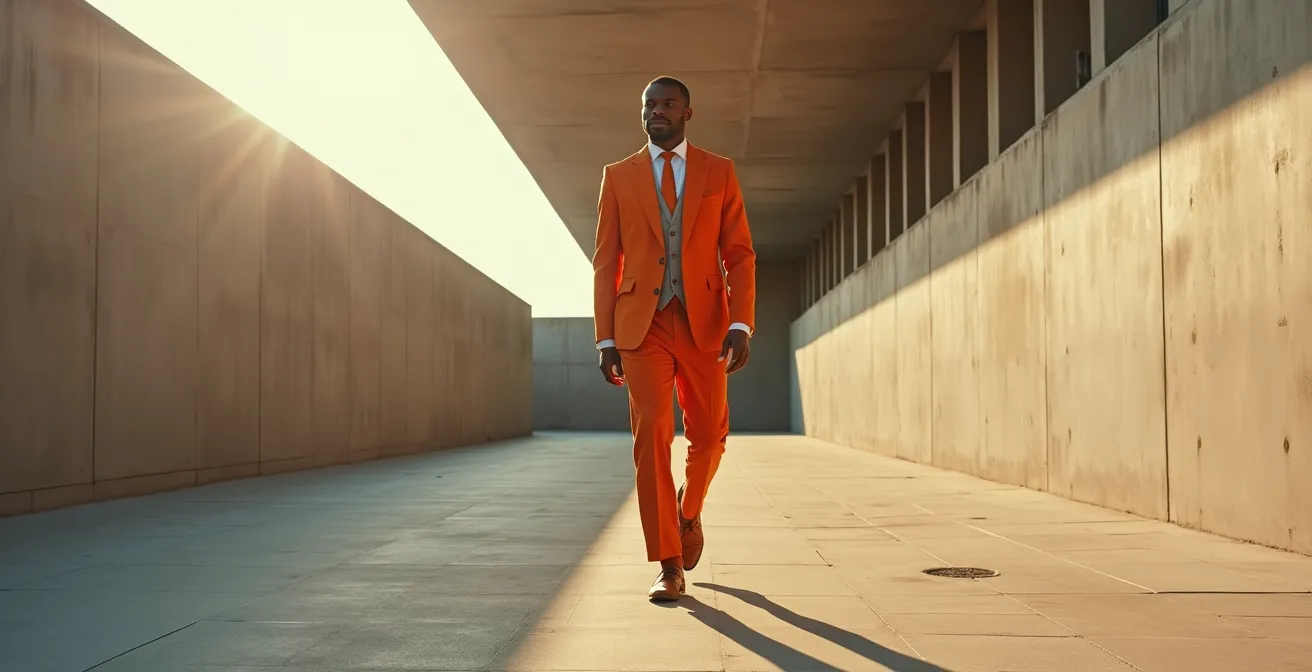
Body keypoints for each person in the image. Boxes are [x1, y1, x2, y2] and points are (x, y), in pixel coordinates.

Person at [591, 75, 757, 601]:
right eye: (649, 105)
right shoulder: (618, 176)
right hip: (641, 325)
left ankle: (688, 513)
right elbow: (606, 261)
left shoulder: (719, 171)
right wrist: (604, 338)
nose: (656, 111)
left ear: (688, 112)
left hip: (705, 321)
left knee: (709, 437)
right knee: (652, 438)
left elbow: (739, 254)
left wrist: (740, 323)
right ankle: (668, 563)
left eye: (667, 104)